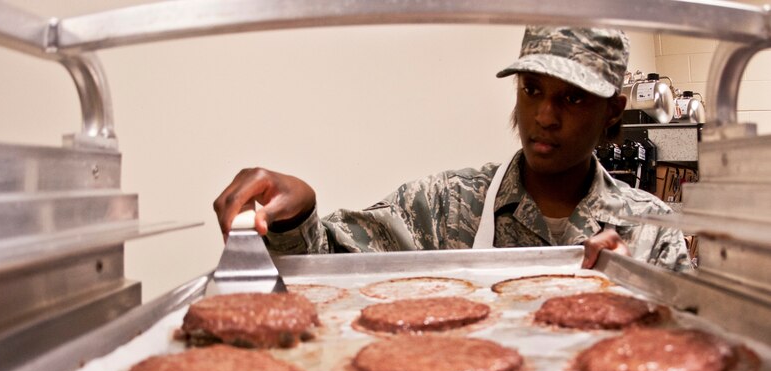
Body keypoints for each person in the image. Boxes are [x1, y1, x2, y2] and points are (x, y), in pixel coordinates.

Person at [214, 26, 691, 271]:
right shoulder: (444, 205)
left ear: (612, 111)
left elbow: (694, 352)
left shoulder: (651, 231)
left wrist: (635, 296)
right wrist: (299, 213)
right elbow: (328, 267)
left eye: (572, 97)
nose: (545, 116)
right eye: (532, 89)